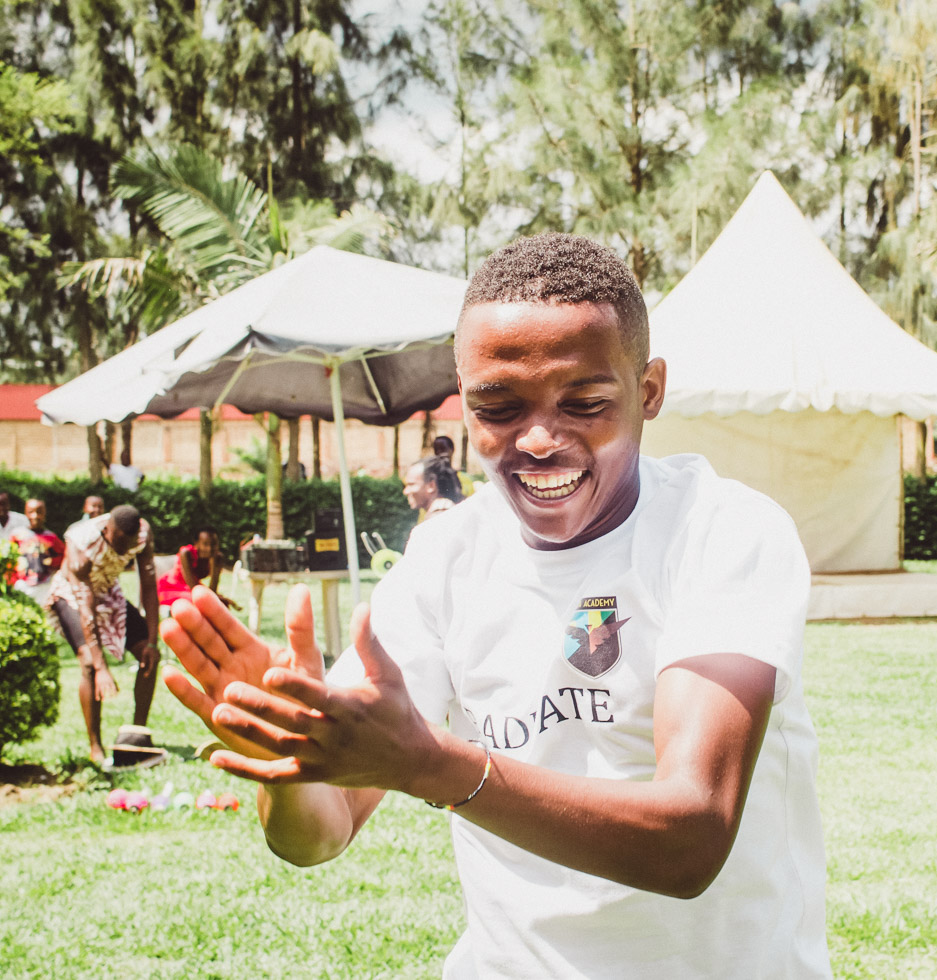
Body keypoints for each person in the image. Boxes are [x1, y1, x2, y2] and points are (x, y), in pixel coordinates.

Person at [162, 233, 829, 979]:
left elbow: (688, 838)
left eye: (585, 402)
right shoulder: (447, 559)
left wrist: (436, 767)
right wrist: (289, 756)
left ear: (649, 391)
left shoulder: (721, 531)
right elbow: (319, 837)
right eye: (499, 407)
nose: (540, 439)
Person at [45, 504, 162, 766]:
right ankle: (95, 745)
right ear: (107, 530)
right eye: (118, 542)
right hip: (73, 597)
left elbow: (150, 587)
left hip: (108, 591)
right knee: (88, 662)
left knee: (149, 654)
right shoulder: (81, 545)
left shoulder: (142, 535)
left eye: (127, 543)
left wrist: (153, 641)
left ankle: (136, 738)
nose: (122, 549)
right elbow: (86, 610)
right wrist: (101, 667)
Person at [157, 526, 239, 610]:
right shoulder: (186, 553)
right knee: (203, 602)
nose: (210, 548)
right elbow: (194, 590)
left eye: (214, 544)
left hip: (194, 590)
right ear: (196, 543)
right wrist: (218, 598)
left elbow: (213, 590)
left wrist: (214, 562)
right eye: (205, 544)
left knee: (219, 603)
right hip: (171, 588)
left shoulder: (217, 557)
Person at [9, 498, 65, 602]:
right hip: (22, 584)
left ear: (44, 514)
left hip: (44, 585)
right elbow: (9, 559)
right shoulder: (17, 535)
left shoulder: (51, 537)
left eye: (39, 512)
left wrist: (51, 563)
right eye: (31, 512)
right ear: (26, 513)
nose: (35, 516)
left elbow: (63, 557)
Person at [404, 454, 466, 523]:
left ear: (431, 486)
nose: (405, 491)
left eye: (411, 484)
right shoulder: (443, 513)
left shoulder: (439, 517)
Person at [432, 434, 477, 499]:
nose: (440, 453)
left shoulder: (464, 477)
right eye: (436, 450)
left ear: (452, 449)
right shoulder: (432, 476)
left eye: (443, 449)